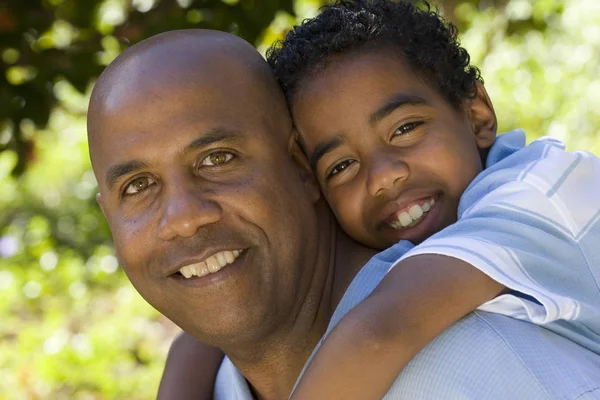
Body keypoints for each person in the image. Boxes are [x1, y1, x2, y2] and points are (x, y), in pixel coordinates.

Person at [88, 29, 600, 400]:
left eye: (218, 158)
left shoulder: (540, 200)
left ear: (297, 168)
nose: (181, 218)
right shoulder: (224, 371)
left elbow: (380, 329)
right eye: (137, 186)